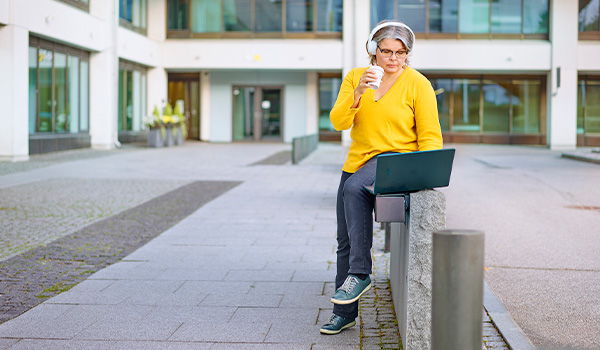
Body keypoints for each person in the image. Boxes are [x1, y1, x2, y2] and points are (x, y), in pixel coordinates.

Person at [319, 20, 443, 335]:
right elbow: (337, 122)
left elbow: (430, 136)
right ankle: (344, 313)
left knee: (354, 187)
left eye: (400, 53)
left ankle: (361, 273)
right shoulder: (355, 78)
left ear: (407, 54)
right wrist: (358, 92)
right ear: (373, 51)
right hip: (358, 163)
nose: (392, 58)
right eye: (386, 51)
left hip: (397, 160)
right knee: (344, 239)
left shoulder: (418, 84)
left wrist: (427, 174)